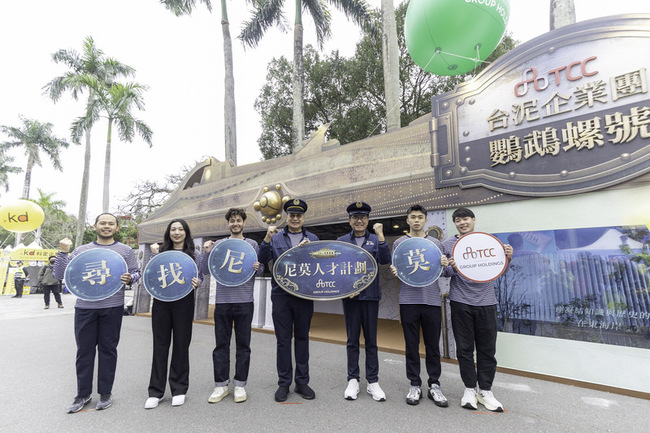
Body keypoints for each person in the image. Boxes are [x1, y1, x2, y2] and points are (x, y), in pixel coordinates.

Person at [54, 213, 140, 413]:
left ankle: (105, 392)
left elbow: (137, 273)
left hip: (113, 306)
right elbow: (60, 274)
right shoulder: (82, 251)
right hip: (85, 307)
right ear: (95, 226)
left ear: (117, 228)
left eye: (111, 223)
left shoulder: (125, 250)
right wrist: (63, 252)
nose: (106, 226)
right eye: (103, 223)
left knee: (108, 350)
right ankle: (82, 394)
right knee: (84, 351)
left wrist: (130, 278)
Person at [441, 207, 513, 412]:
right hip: (460, 301)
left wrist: (508, 258)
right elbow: (443, 272)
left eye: (465, 219)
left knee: (487, 349)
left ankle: (486, 390)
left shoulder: (487, 241)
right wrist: (451, 267)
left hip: (487, 302)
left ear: (473, 220)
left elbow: (500, 270)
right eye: (458, 220)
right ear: (455, 224)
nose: (462, 223)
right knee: (464, 349)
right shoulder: (448, 244)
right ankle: (469, 389)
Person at [389, 204, 450, 407]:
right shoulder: (400, 243)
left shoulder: (435, 244)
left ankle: (434, 385)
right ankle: (414, 384)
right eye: (413, 217)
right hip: (408, 301)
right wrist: (395, 271)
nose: (416, 220)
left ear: (425, 220)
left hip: (432, 300)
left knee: (433, 346)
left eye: (420, 217)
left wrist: (445, 265)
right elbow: (398, 268)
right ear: (407, 220)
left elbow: (444, 272)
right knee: (411, 345)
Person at [259, 198, 319, 402]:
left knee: (302, 338)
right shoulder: (276, 237)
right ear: (286, 217)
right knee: (283, 340)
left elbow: (320, 266)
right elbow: (262, 260)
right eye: (292, 215)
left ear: (303, 218)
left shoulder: (313, 238)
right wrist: (267, 239)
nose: (295, 218)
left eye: (298, 215)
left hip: (304, 295)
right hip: (281, 295)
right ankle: (284, 383)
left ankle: (302, 382)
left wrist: (307, 253)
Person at [205, 208, 263, 404]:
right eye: (232, 221)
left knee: (243, 344)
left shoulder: (252, 244)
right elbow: (206, 269)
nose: (235, 223)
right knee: (221, 344)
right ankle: (220, 385)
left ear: (244, 223)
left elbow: (260, 269)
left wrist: (258, 267)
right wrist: (206, 253)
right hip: (223, 301)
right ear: (228, 224)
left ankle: (240, 384)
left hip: (244, 300)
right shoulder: (219, 245)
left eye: (239, 220)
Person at [144, 219, 202, 409]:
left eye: (180, 229)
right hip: (161, 302)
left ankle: (179, 389)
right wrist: (154, 255)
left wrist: (198, 282)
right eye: (173, 229)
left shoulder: (194, 254)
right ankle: (155, 391)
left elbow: (200, 276)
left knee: (181, 345)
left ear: (186, 232)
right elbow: (149, 275)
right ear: (168, 233)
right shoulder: (160, 253)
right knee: (160, 345)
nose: (177, 233)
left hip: (184, 302)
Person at [336, 201, 391, 402]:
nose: (359, 221)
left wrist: (381, 235)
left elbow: (385, 260)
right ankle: (352, 379)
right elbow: (336, 268)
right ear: (349, 220)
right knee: (352, 340)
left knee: (371, 341)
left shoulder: (376, 240)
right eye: (355, 217)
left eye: (363, 217)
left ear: (368, 220)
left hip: (370, 296)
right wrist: (345, 288)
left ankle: (373, 381)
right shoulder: (342, 241)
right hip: (350, 298)